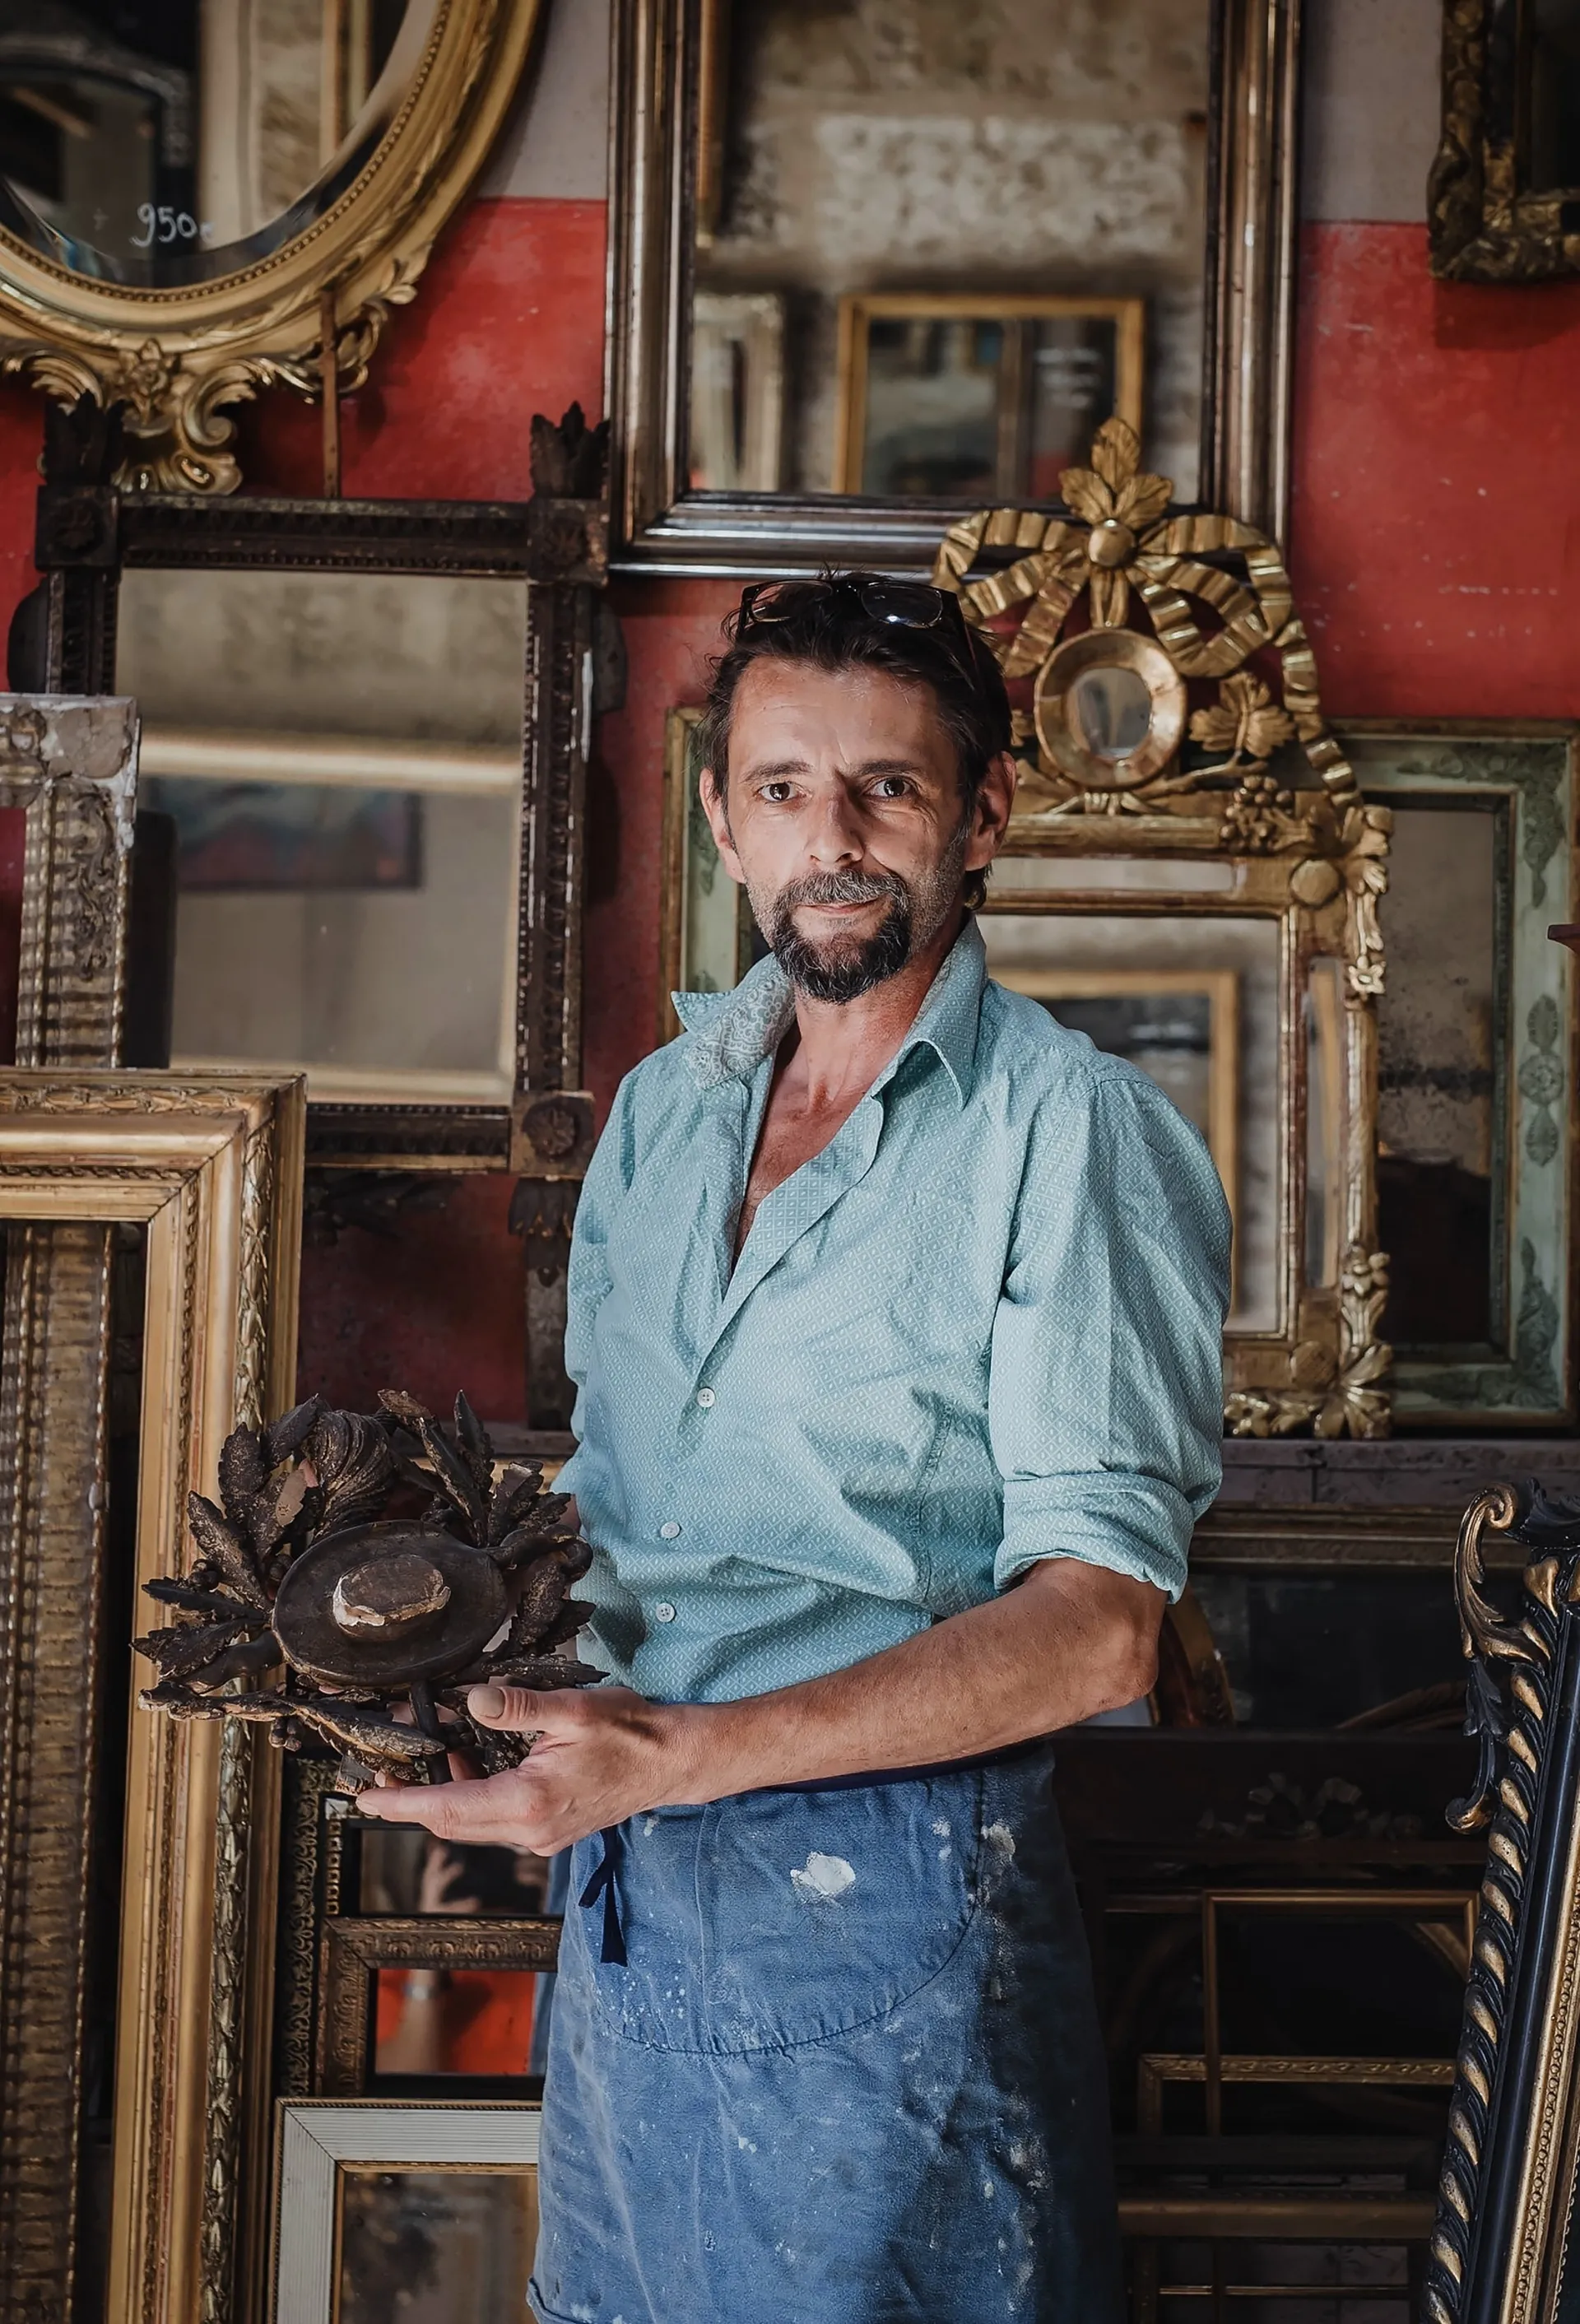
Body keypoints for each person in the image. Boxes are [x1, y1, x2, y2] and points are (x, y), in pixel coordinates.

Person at [359, 571, 1231, 2323]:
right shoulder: (665, 1112)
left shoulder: (1073, 1134)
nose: (830, 836)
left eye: (887, 788)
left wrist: (675, 1752)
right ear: (721, 817)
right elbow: (619, 1512)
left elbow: (1099, 1622)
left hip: (894, 1923)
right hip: (625, 1899)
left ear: (983, 813)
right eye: (782, 788)